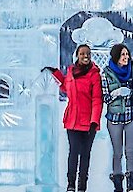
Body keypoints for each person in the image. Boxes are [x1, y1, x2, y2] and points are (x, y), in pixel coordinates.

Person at [43, 44, 105, 192]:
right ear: (77, 55)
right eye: (82, 53)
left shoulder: (94, 74)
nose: (86, 56)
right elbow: (66, 87)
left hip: (88, 122)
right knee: (73, 152)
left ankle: (82, 186)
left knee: (85, 155)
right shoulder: (71, 71)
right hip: (72, 120)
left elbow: (97, 99)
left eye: (88, 54)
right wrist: (56, 73)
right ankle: (70, 185)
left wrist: (94, 121)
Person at [101, 42, 133, 192]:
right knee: (117, 152)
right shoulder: (106, 74)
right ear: (116, 56)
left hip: (132, 116)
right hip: (114, 118)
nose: (126, 57)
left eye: (127, 54)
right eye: (123, 54)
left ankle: (132, 185)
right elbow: (104, 98)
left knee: (130, 151)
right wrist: (116, 93)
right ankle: (117, 185)